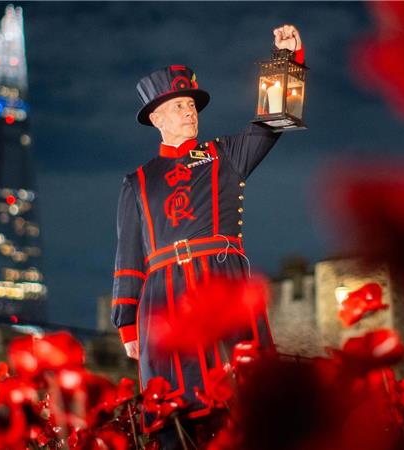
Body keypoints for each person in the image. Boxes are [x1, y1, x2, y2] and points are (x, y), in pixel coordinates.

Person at [111, 24, 304, 445]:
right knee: (175, 413)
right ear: (156, 119)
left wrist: (286, 61)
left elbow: (273, 123)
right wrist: (127, 324)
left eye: (192, 104)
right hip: (163, 301)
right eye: (179, 105)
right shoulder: (137, 181)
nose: (189, 112)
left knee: (243, 402)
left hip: (222, 285)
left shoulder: (224, 155)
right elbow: (129, 255)